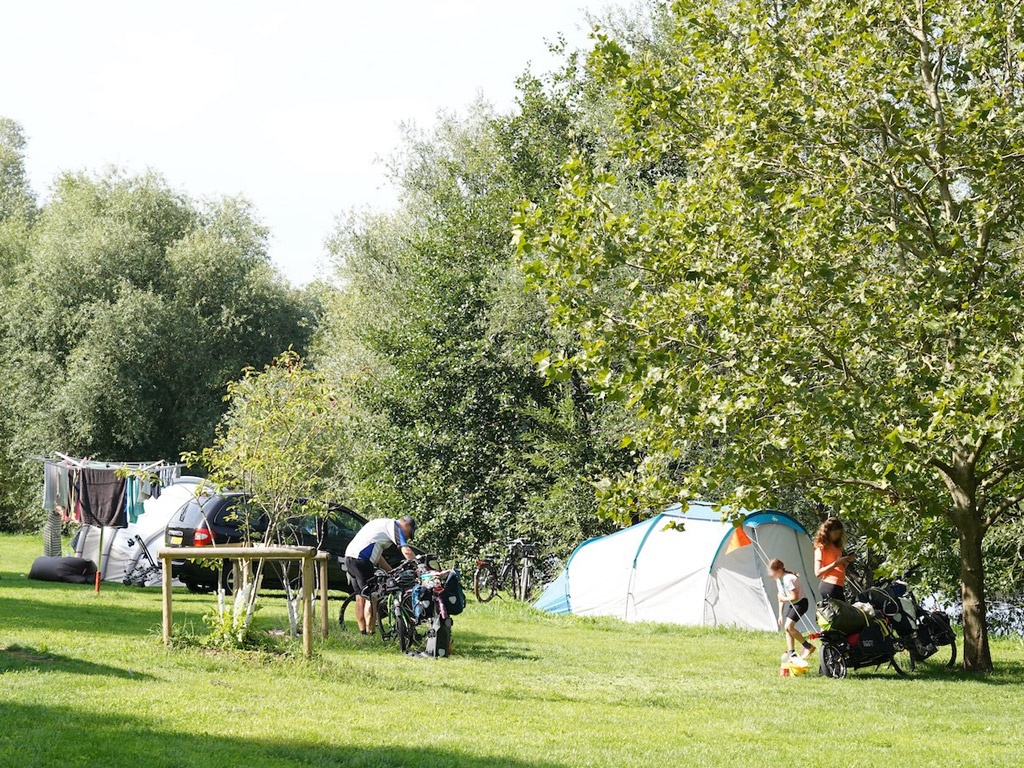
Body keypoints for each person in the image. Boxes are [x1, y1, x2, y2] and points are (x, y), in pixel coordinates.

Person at [345, 515, 417, 634]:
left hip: (350, 557)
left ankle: (363, 632)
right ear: (406, 524)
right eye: (409, 534)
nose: (407, 537)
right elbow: (406, 550)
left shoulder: (379, 523)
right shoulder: (394, 525)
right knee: (372, 597)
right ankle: (371, 632)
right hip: (362, 560)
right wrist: (419, 566)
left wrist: (390, 572)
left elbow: (378, 556)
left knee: (360, 597)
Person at [769, 558, 814, 661]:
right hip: (794, 604)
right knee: (787, 629)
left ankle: (808, 647)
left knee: (789, 627)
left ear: (779, 570)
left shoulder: (788, 579)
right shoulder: (779, 580)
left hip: (801, 603)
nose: (771, 575)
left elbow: (795, 596)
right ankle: (792, 653)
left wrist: (784, 599)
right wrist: (780, 614)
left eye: (772, 572)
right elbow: (780, 597)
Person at [813, 516, 854, 601]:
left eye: (839, 534)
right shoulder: (821, 548)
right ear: (827, 532)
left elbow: (839, 569)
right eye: (835, 533)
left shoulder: (836, 547)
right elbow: (817, 573)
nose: (837, 536)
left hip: (838, 585)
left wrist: (846, 562)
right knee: (842, 613)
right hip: (829, 584)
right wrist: (836, 563)